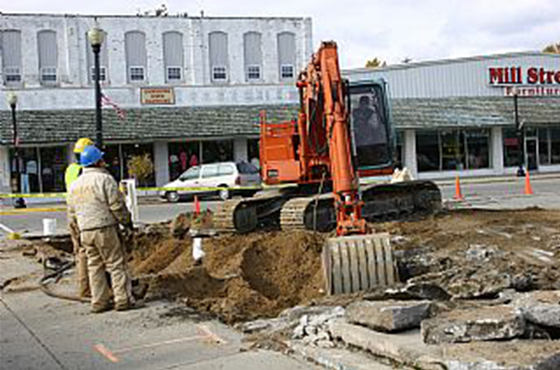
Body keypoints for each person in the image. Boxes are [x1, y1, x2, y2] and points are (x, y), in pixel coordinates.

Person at [67, 145, 136, 313]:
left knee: (94, 266)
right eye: (102, 160)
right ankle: (122, 299)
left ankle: (99, 302)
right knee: (115, 264)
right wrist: (127, 222)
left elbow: (72, 214)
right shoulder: (105, 180)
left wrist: (76, 235)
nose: (105, 162)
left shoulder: (75, 185)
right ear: (97, 162)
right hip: (104, 228)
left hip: (85, 232)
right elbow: (116, 205)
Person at [64, 137, 94, 299]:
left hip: (72, 212)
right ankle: (89, 290)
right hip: (84, 213)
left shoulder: (70, 169)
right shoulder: (84, 171)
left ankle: (84, 288)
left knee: (80, 251)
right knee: (88, 253)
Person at [352, 95, 388, 166]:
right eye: (363, 103)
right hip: (357, 139)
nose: (364, 105)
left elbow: (375, 125)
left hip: (370, 140)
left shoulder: (371, 113)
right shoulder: (354, 112)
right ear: (360, 103)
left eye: (366, 103)